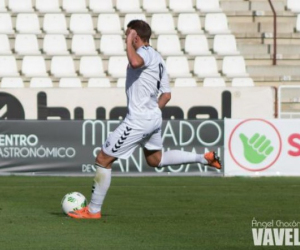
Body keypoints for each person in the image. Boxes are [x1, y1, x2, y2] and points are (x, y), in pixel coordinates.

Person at [68, 20, 221, 219]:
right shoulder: (158, 59)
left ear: (136, 37)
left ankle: (93, 210)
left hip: (138, 120)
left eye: (129, 35)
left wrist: (128, 43)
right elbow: (166, 95)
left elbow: (134, 62)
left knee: (103, 159)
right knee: (155, 160)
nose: (126, 38)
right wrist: (150, 114)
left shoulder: (145, 54)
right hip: (153, 118)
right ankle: (204, 158)